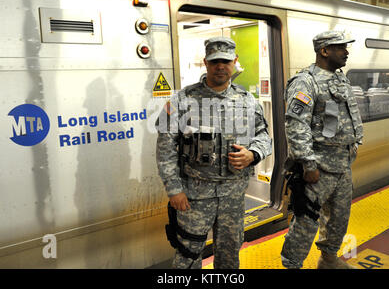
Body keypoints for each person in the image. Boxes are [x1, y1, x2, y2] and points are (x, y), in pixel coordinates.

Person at [155, 37, 272, 269]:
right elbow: (165, 147)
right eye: (215, 61)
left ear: (235, 62)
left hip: (234, 196)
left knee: (229, 254)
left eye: (226, 61)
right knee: (188, 254)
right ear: (205, 62)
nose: (221, 66)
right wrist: (174, 189)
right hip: (194, 196)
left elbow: (264, 136)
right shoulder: (182, 100)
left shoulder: (248, 101)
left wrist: (253, 154)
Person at [280, 31, 363, 269]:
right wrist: (308, 164)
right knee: (306, 220)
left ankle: (328, 259)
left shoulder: (340, 78)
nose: (346, 51)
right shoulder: (305, 82)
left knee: (338, 218)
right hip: (318, 167)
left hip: (342, 164)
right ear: (324, 51)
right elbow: (296, 125)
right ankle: (292, 264)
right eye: (341, 47)